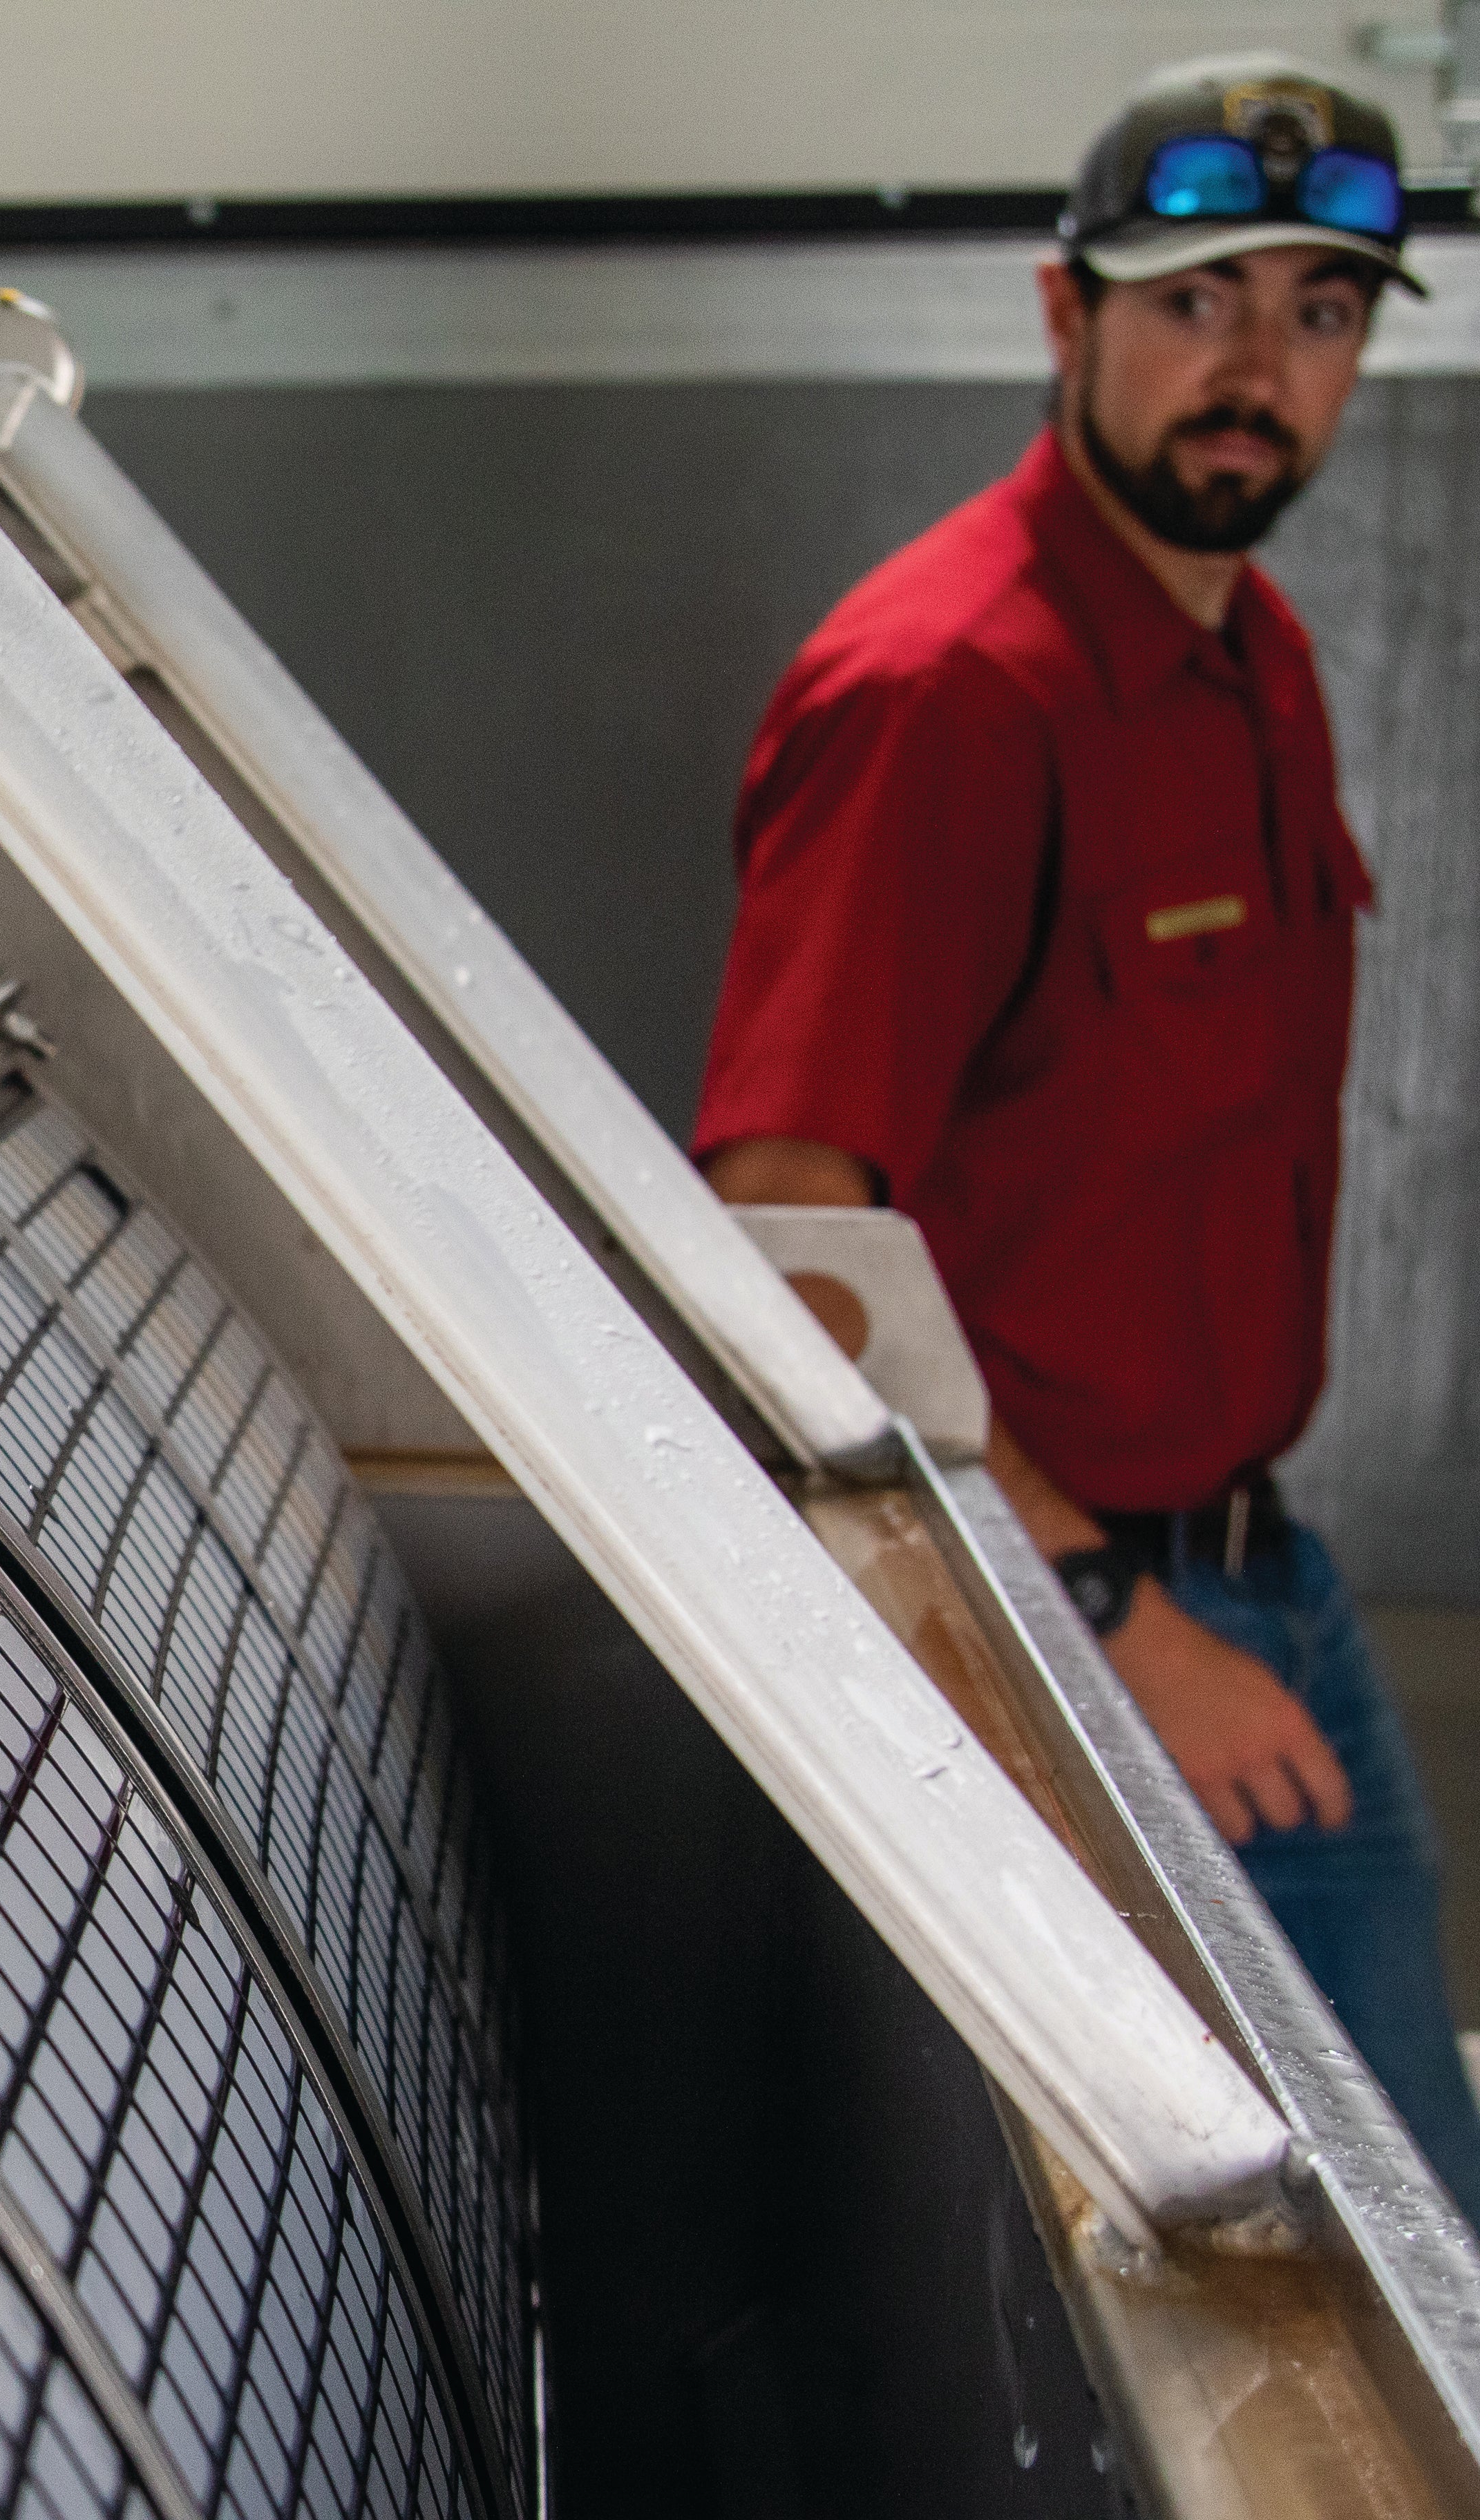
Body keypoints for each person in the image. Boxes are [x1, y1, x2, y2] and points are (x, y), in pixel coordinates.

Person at [692, 52, 1480, 2209]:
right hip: (1070, 1634)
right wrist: (1125, 1621)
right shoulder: (951, 690)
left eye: (1318, 315)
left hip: (1244, 1573)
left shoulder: (1256, 656)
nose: (1258, 369)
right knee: (1290, 2275)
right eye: (1197, 301)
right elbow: (788, 1235)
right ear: (1068, 319)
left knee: (1413, 2239)